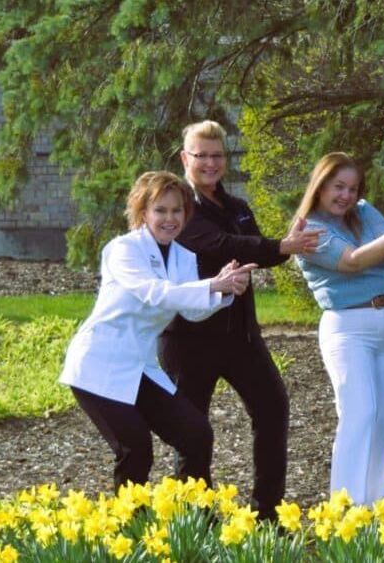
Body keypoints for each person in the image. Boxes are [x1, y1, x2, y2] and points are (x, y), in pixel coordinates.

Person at [159, 120, 322, 521]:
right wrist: (280, 246)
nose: (211, 163)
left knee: (273, 407)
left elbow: (252, 249)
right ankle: (197, 518)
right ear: (185, 158)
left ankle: (267, 513)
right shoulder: (180, 210)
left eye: (218, 155)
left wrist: (281, 246)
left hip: (240, 338)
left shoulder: (238, 208)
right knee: (191, 428)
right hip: (188, 339)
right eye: (202, 156)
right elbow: (221, 245)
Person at [60, 171, 255, 490]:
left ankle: (196, 521)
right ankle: (129, 532)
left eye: (176, 210)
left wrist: (226, 288)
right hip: (98, 367)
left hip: (140, 367)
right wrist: (211, 284)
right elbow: (155, 292)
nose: (169, 218)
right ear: (143, 213)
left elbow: (191, 311)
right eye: (160, 211)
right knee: (135, 449)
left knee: (195, 433)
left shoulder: (183, 256)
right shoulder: (123, 250)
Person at [293, 152, 384, 505]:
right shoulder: (307, 230)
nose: (346, 195)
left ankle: (374, 512)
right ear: (321, 185)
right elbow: (352, 261)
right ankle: (346, 515)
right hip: (348, 329)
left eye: (352, 188)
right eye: (338, 186)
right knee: (360, 414)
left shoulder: (364, 212)